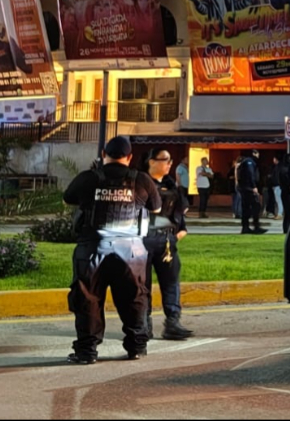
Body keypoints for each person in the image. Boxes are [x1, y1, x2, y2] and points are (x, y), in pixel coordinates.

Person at [62, 136, 161, 364]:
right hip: (132, 251)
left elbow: (69, 199)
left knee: (88, 299)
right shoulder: (142, 180)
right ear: (129, 157)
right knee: (134, 297)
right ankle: (136, 347)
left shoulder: (89, 178)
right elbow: (155, 208)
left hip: (93, 249)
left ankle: (87, 352)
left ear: (104, 153)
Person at [139, 150, 195, 342]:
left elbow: (180, 212)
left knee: (171, 282)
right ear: (151, 161)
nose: (169, 163)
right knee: (142, 284)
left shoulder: (171, 185)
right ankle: (143, 323)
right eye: (165, 160)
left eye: (170, 160)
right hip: (143, 240)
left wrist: (181, 231)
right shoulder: (139, 183)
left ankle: (173, 322)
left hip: (167, 241)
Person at [236, 150, 267, 234]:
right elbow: (250, 174)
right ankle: (256, 227)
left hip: (244, 188)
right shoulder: (249, 162)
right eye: (257, 154)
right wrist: (253, 186)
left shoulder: (245, 162)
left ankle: (246, 227)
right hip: (248, 188)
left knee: (246, 208)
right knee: (255, 206)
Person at [276, 154, 290, 232]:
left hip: (284, 191)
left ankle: (286, 228)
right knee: (289, 211)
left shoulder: (282, 169)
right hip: (288, 192)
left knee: (287, 212)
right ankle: (288, 228)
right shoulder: (287, 170)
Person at [270, 155, 287, 223]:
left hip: (277, 186)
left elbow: (276, 177)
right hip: (277, 185)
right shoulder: (279, 167)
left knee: (279, 200)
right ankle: (278, 213)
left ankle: (279, 213)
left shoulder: (278, 167)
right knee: (278, 200)